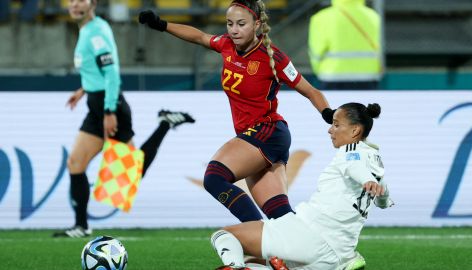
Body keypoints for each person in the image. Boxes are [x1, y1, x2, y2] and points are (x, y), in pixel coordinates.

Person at [138, 0, 334, 223]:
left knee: (214, 178)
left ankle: (257, 235)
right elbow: (199, 37)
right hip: (258, 139)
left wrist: (328, 113)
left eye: (241, 24)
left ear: (257, 24)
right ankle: (320, 253)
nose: (234, 29)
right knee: (281, 218)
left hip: (267, 133)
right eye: (230, 23)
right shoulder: (226, 44)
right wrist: (162, 25)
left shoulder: (274, 58)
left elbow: (311, 91)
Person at [53, 0, 195, 238]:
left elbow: (111, 74)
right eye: (72, 0)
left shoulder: (97, 32)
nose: (76, 4)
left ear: (93, 4)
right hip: (96, 105)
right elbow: (96, 72)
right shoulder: (88, 29)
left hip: (110, 107)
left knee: (130, 174)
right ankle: (81, 226)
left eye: (82, 0)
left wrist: (109, 112)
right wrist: (83, 89)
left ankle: (165, 123)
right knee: (75, 164)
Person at [210, 103, 394, 270]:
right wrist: (377, 190)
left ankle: (235, 268)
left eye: (337, 125)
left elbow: (354, 166)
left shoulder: (351, 152)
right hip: (336, 256)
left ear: (355, 131)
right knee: (253, 262)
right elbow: (383, 196)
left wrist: (365, 180)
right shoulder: (375, 160)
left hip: (309, 234)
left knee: (225, 235)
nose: (330, 130)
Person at [308, 0, 382, 90]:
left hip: (332, 77)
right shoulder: (373, 16)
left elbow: (316, 52)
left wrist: (318, 70)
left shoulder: (321, 17)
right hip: (368, 77)